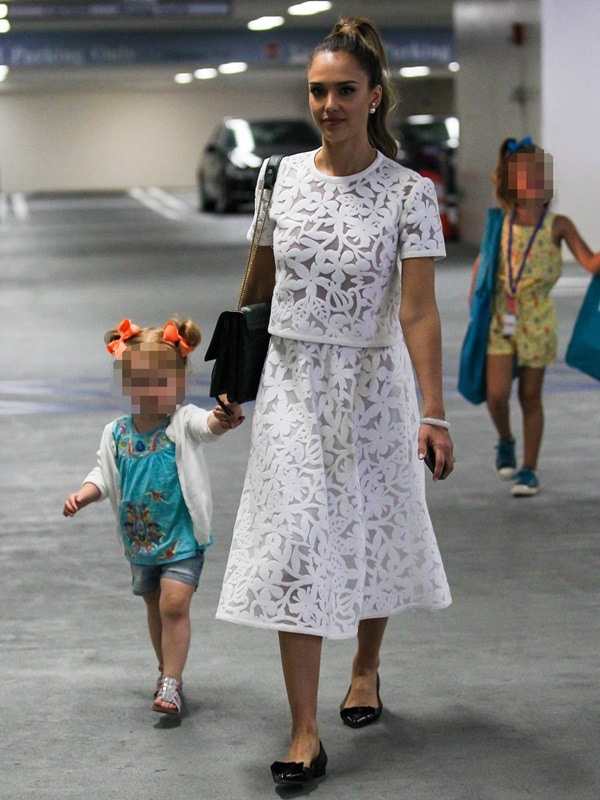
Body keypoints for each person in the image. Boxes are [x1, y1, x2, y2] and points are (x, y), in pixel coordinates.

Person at [215, 17, 454, 785]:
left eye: (345, 90)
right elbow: (258, 284)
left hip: (372, 387)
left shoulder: (409, 195)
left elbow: (417, 311)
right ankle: (304, 732)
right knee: (298, 544)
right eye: (318, 90)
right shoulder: (278, 177)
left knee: (369, 526)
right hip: (291, 383)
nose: (329, 104)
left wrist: (434, 410)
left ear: (374, 96)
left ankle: (366, 668)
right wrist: (231, 377)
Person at [63, 318, 244, 716]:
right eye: (139, 383)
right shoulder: (115, 433)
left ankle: (172, 682)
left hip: (181, 537)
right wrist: (84, 495)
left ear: (178, 384)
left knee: (174, 604)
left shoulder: (182, 421)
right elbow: (103, 474)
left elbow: (207, 426)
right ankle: (166, 664)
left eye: (161, 383)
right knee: (154, 606)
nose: (149, 392)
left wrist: (222, 417)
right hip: (140, 541)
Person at [470, 137, 600, 497]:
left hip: (538, 319)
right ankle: (505, 440)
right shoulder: (500, 221)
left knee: (530, 396)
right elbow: (484, 263)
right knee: (496, 394)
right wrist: (474, 307)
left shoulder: (559, 225)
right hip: (501, 317)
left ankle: (529, 469)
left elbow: (590, 262)